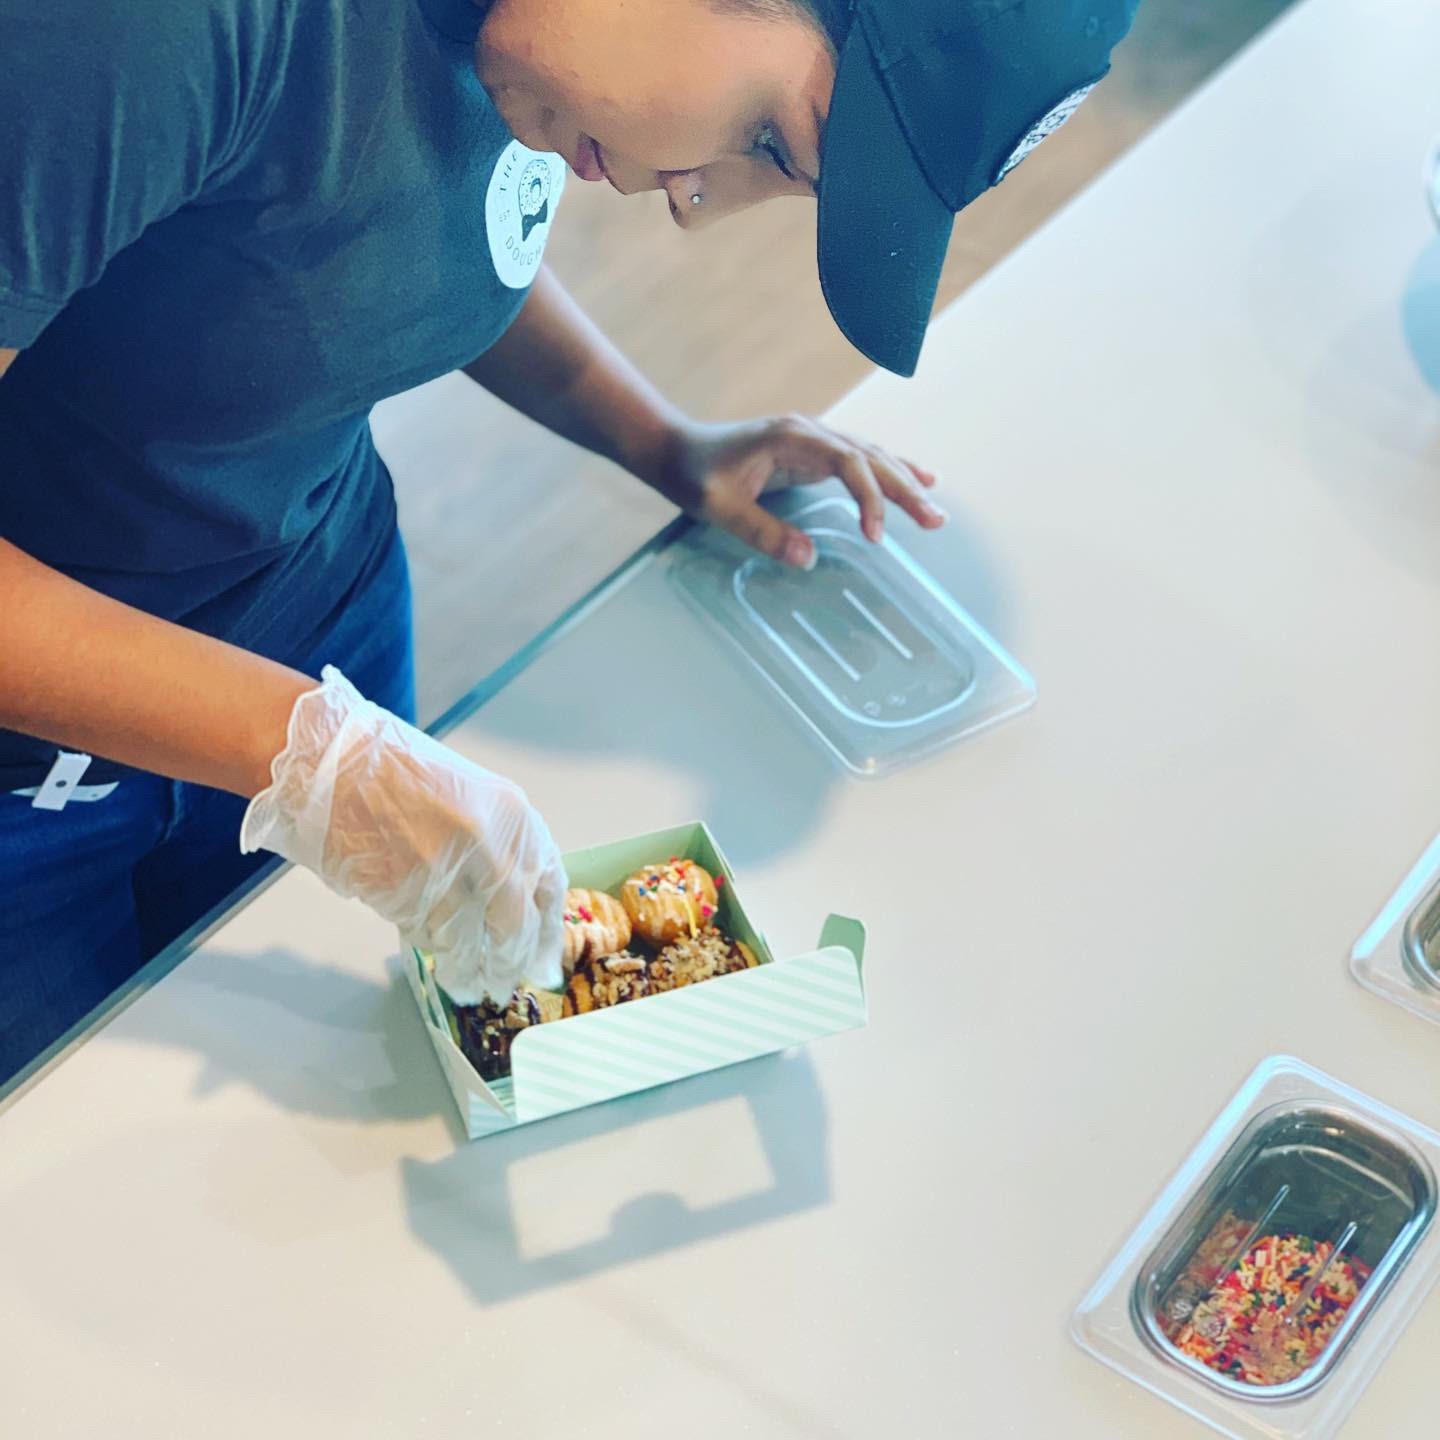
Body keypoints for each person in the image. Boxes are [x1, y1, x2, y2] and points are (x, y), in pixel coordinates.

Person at [0, 0, 1138, 1080]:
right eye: (766, 139)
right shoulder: (144, 33)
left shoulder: (536, 46)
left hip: (316, 615)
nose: (700, 206)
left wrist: (661, 441)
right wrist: (307, 756)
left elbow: (403, 226)